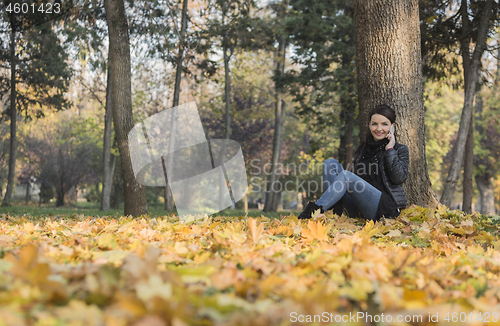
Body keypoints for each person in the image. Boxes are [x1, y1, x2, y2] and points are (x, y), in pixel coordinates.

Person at [297, 104, 409, 221]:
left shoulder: (399, 149)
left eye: (384, 124)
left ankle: (310, 214)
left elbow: (399, 178)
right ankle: (335, 211)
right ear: (369, 125)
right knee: (329, 164)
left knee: (346, 175)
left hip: (383, 210)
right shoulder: (363, 148)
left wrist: (390, 150)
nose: (379, 128)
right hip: (359, 207)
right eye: (374, 124)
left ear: (392, 127)